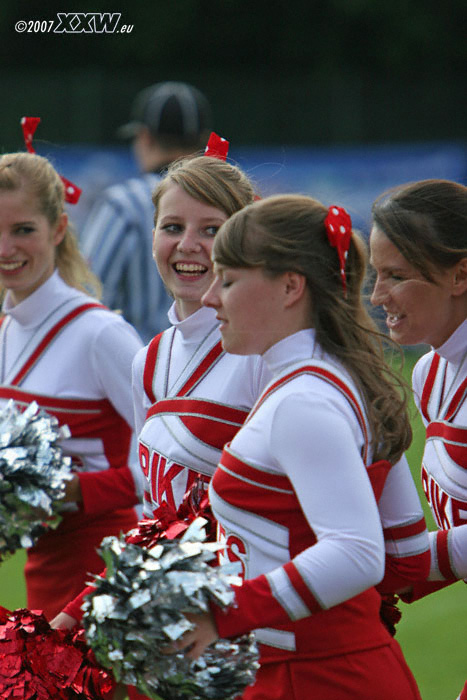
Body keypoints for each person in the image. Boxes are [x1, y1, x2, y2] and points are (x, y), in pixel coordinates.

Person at [170, 193, 432, 700]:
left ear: (290, 286)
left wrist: (228, 611)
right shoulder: (346, 380)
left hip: (317, 678)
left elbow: (358, 553)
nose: (209, 298)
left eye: (227, 280)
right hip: (338, 669)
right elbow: (407, 557)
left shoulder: (303, 401)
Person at [52, 150, 271, 700]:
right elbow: (158, 520)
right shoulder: (149, 359)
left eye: (212, 230)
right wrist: (80, 612)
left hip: (259, 631)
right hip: (179, 636)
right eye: (171, 227)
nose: (188, 245)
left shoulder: (264, 354)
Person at [0, 152, 144, 620]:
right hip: (43, 563)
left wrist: (74, 491)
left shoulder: (101, 334)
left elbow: (170, 469)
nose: (6, 248)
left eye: (23, 230)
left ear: (58, 229)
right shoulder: (6, 327)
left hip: (108, 570)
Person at [369, 178, 467, 700]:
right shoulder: (429, 374)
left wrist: (393, 566)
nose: (378, 295)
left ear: (460, 274)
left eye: (396, 276)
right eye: (376, 274)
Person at [80, 81, 213, 343]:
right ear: (205, 141)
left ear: (145, 137)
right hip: (217, 369)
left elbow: (87, 296)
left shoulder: (122, 203)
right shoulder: (228, 201)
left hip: (136, 372)